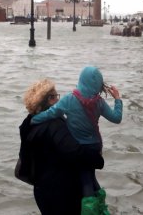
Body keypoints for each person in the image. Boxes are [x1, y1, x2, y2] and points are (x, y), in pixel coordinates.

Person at [31, 67, 122, 207]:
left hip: (80, 148)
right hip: (95, 146)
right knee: (91, 176)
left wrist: (33, 120)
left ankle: (90, 209)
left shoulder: (69, 99)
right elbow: (116, 118)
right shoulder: (99, 102)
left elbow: (51, 113)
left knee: (85, 179)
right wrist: (117, 99)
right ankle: (101, 205)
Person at [19, 79, 105, 215]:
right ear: (45, 101)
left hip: (41, 189)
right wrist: (98, 160)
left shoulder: (28, 123)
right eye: (53, 97)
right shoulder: (54, 125)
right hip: (61, 192)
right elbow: (75, 152)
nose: (58, 101)